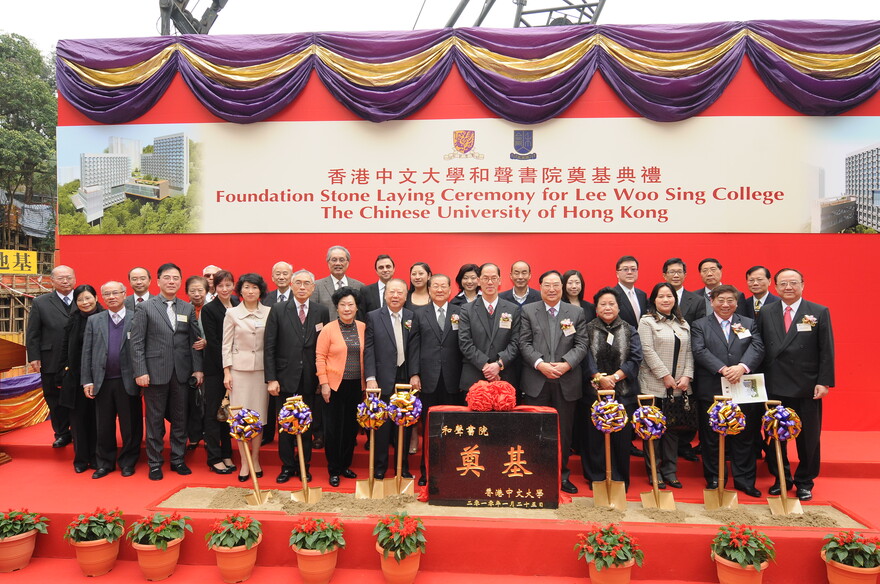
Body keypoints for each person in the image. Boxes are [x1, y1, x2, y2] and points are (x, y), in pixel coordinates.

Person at [758, 268, 834, 502]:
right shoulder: (767, 311)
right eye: (783, 283)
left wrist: (824, 381)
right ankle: (781, 477)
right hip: (774, 383)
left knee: (808, 436)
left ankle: (804, 481)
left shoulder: (818, 311)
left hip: (806, 384)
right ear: (776, 287)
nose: (788, 287)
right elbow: (759, 348)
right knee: (775, 433)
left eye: (793, 283)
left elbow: (826, 349)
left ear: (803, 284)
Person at [130, 262, 204, 481]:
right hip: (154, 373)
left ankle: (178, 460)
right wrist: (140, 371)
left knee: (181, 419)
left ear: (180, 282)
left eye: (176, 279)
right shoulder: (145, 307)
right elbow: (136, 343)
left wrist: (198, 369)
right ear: (159, 280)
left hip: (181, 373)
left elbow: (195, 340)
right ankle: (154, 463)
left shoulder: (186, 307)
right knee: (155, 420)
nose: (172, 282)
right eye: (167, 278)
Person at [519, 270, 589, 494]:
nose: (552, 289)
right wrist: (541, 364)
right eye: (547, 285)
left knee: (564, 431)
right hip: (536, 379)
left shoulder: (576, 312)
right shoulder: (529, 311)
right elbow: (524, 343)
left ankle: (562, 476)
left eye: (556, 285)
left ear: (562, 287)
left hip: (565, 380)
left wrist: (566, 364)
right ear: (540, 287)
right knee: (534, 430)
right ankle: (534, 474)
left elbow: (582, 344)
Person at [691, 285, 764, 497]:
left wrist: (742, 367)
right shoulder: (700, 325)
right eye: (720, 300)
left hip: (742, 387)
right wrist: (723, 369)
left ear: (737, 302)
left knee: (744, 436)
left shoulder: (748, 323)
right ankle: (714, 478)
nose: (725, 304)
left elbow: (757, 347)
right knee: (711, 437)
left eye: (730, 300)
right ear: (712, 302)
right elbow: (699, 350)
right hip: (712, 387)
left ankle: (744, 480)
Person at [264, 269, 330, 484]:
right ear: (291, 285)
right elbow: (269, 347)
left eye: (307, 283)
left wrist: (323, 379)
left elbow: (323, 348)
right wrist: (271, 378)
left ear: (313, 287)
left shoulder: (321, 311)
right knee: (285, 425)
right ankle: (287, 466)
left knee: (307, 424)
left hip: (310, 379)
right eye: (298, 283)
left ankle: (304, 465)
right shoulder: (278, 309)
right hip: (284, 378)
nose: (302, 287)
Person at [582, 287, 643, 490]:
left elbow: (635, 358)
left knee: (621, 439)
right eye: (603, 304)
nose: (607, 308)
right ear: (596, 308)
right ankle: (596, 477)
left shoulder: (629, 329)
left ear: (618, 307)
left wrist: (615, 377)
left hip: (623, 393)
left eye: (611, 304)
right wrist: (599, 377)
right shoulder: (588, 328)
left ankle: (619, 479)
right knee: (594, 439)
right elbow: (584, 356)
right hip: (594, 394)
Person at [81, 281, 143, 478]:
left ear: (124, 294)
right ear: (102, 298)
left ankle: (128, 461)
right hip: (102, 380)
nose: (111, 297)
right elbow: (87, 352)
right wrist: (87, 380)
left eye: (115, 293)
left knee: (130, 425)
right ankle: (105, 463)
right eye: (107, 294)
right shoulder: (95, 320)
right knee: (104, 425)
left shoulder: (137, 317)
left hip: (128, 380)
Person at [637, 282, 694, 489]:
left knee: (672, 430)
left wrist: (687, 376)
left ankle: (670, 470)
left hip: (679, 386)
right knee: (653, 430)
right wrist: (665, 376)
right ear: (654, 300)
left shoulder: (682, 322)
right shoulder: (647, 322)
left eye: (669, 296)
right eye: (661, 296)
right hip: (654, 385)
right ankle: (655, 471)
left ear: (674, 299)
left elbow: (689, 351)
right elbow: (647, 350)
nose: (665, 300)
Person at [408, 273, 464, 486]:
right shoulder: (419, 314)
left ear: (450, 290)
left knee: (453, 427)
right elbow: (413, 346)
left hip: (453, 379)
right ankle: (427, 472)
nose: (440, 290)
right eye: (436, 286)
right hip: (428, 379)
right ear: (429, 290)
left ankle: (451, 471)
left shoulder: (460, 312)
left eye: (444, 286)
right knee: (430, 427)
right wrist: (414, 373)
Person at [364, 279, 418, 479]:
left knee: (403, 424)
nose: (395, 296)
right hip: (382, 378)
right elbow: (368, 349)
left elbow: (414, 348)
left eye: (400, 293)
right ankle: (380, 467)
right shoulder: (373, 316)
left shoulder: (412, 316)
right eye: (392, 292)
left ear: (406, 296)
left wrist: (415, 373)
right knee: (383, 427)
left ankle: (401, 467)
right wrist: (370, 377)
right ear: (385, 295)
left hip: (404, 377)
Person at [223, 273, 271, 481]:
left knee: (258, 418)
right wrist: (227, 371)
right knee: (239, 419)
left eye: (255, 287)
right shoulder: (232, 313)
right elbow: (226, 345)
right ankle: (244, 462)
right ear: (240, 290)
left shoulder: (269, 312)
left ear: (261, 291)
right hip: (238, 373)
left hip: (261, 372)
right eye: (247, 287)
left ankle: (256, 458)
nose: (251, 291)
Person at [316, 286, 365, 487]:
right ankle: (334, 469)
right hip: (334, 386)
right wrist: (324, 384)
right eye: (342, 305)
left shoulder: (363, 327)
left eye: (350, 305)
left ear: (356, 308)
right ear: (336, 308)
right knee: (334, 429)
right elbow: (320, 357)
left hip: (356, 386)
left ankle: (346, 464)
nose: (347, 308)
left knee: (351, 429)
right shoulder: (328, 329)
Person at [27, 265, 76, 448]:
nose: (65, 281)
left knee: (77, 398)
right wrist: (34, 356)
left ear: (75, 279)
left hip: (77, 358)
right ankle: (62, 433)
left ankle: (79, 431)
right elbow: (33, 332)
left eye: (69, 277)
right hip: (51, 357)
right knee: (54, 397)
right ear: (52, 281)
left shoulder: (83, 298)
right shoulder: (41, 302)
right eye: (61, 278)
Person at [59, 284, 104, 473]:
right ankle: (80, 459)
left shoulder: (105, 317)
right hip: (76, 377)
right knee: (77, 420)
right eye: (80, 300)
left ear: (95, 297)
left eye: (88, 298)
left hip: (100, 376)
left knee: (97, 419)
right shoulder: (73, 320)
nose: (85, 302)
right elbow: (65, 348)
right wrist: (62, 374)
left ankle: (96, 457)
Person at [457, 263, 521, 391]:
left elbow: (516, 342)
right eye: (485, 278)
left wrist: (498, 365)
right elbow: (465, 342)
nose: (490, 282)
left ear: (500, 280)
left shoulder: (513, 309)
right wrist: (486, 366)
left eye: (494, 278)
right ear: (479, 281)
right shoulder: (467, 309)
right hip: (474, 376)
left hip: (504, 376)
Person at [199, 270, 238, 475]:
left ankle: (226, 453)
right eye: (220, 286)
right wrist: (226, 368)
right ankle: (214, 457)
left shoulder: (239, 305)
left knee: (229, 413)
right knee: (214, 412)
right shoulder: (209, 309)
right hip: (216, 368)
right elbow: (213, 343)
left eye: (228, 285)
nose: (225, 289)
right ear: (214, 287)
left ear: (233, 285)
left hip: (238, 368)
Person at [184, 275, 208, 451]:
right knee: (190, 400)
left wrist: (207, 342)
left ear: (207, 291)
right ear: (187, 293)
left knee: (207, 400)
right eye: (193, 290)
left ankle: (208, 434)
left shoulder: (212, 309)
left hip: (210, 360)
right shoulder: (183, 309)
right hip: (187, 360)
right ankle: (193, 434)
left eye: (200, 290)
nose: (197, 294)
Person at [314, 245, 365, 319]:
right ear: (328, 263)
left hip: (353, 330)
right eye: (334, 260)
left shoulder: (359, 286)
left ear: (347, 263)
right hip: (327, 329)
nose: (338, 263)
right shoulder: (317, 286)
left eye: (341, 260)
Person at [662, 258, 705, 324]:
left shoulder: (697, 301)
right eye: (672, 272)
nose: (676, 276)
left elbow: (700, 327)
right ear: (664, 276)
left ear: (685, 275)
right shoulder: (655, 300)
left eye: (679, 272)